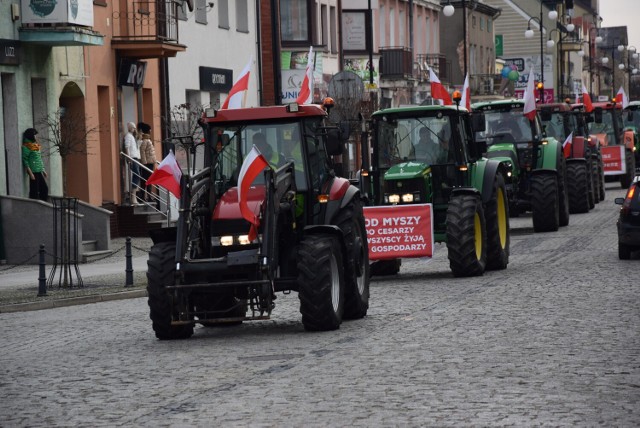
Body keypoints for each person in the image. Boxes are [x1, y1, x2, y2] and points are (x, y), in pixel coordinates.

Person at [22, 128, 48, 202]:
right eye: (34, 135)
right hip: (33, 171)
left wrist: (43, 170)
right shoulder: (26, 146)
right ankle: (34, 207)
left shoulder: (35, 145)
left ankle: (43, 205)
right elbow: (25, 160)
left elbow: (39, 158)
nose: (36, 137)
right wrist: (30, 173)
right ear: (31, 136)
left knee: (44, 189)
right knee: (34, 192)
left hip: (38, 170)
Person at [123, 122, 142, 205]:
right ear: (129, 128)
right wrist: (128, 157)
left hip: (136, 157)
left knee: (137, 175)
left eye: (135, 128)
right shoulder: (128, 136)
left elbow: (135, 148)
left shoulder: (133, 137)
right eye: (133, 128)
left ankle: (134, 195)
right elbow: (127, 147)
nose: (134, 129)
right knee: (137, 174)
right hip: (132, 158)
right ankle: (133, 195)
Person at [138, 123, 157, 202]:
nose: (151, 131)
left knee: (149, 180)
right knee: (145, 180)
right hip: (147, 164)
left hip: (150, 163)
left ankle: (148, 196)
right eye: (150, 129)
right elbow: (142, 151)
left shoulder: (148, 139)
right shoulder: (145, 140)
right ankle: (144, 196)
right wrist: (144, 162)